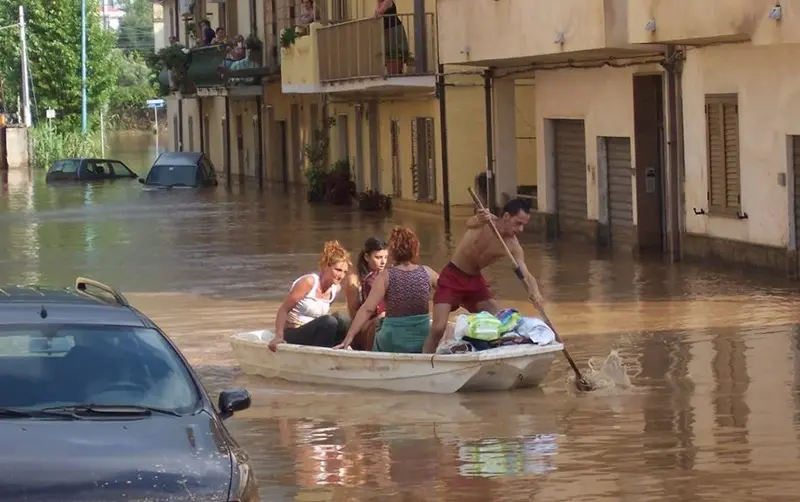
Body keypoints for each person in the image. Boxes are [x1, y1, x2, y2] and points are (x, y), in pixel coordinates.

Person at [421, 198, 543, 353]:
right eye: (518, 223)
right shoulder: (486, 220)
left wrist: (536, 293)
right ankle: (426, 360)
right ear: (506, 217)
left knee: (501, 322)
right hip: (453, 275)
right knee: (438, 329)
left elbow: (525, 273)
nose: (520, 229)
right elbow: (470, 223)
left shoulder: (512, 245)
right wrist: (479, 218)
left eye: (523, 225)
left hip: (475, 282)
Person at [336, 227, 438, 353]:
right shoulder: (428, 272)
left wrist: (349, 336)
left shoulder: (385, 276)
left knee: (377, 330)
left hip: (393, 339)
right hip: (422, 337)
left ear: (392, 251)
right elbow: (449, 295)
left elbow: (368, 309)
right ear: (415, 249)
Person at [268, 241, 352, 351]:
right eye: (338, 270)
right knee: (329, 322)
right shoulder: (309, 282)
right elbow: (284, 309)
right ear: (326, 266)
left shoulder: (335, 289)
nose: (341, 275)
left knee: (343, 320)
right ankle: (321, 357)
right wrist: (279, 335)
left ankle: (345, 352)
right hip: (293, 333)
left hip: (314, 335)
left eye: (344, 272)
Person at [344, 237, 388, 351]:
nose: (383, 262)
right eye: (378, 257)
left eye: (385, 257)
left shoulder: (387, 276)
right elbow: (354, 316)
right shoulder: (354, 280)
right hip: (362, 329)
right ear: (367, 257)